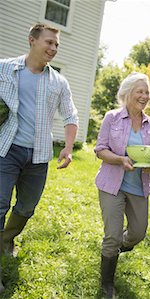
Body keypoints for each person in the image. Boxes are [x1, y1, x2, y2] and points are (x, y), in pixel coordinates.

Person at [0, 23, 78, 293]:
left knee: (26, 207)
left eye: (56, 45)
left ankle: (6, 239)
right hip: (6, 149)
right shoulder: (5, 68)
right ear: (32, 40)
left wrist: (68, 148)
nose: (53, 48)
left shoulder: (58, 82)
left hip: (38, 156)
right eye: (49, 43)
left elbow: (70, 116)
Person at [94, 72, 150, 298]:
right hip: (112, 184)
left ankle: (113, 249)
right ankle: (107, 284)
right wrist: (120, 160)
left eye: (147, 92)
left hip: (138, 186)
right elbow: (100, 150)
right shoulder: (112, 117)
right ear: (127, 93)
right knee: (112, 235)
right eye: (139, 91)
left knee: (138, 233)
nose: (144, 96)